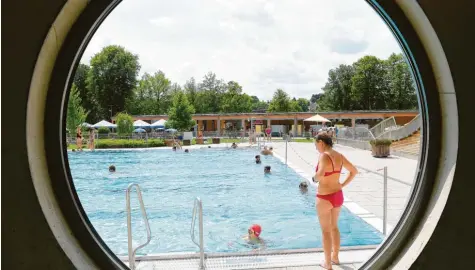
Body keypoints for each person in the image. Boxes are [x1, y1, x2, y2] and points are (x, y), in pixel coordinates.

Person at [314, 133, 358, 269]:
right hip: (338, 195)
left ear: (321, 142)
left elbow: (320, 174)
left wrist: (314, 178)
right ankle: (335, 258)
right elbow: (354, 171)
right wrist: (342, 185)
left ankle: (327, 264)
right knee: (334, 227)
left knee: (325, 231)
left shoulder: (324, 156)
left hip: (325, 197)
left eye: (316, 145)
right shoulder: (339, 155)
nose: (316, 148)